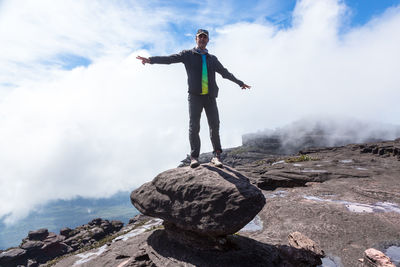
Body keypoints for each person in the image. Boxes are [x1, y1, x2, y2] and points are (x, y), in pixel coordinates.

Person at [137, 29, 251, 168]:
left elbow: (225, 73)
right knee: (194, 127)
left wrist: (240, 83)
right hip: (195, 97)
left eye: (205, 37)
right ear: (195, 39)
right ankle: (194, 157)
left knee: (214, 126)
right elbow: (169, 59)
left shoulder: (212, 59)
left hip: (210, 98)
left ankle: (216, 156)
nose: (202, 39)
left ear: (208, 40)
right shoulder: (187, 55)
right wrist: (150, 60)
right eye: (200, 37)